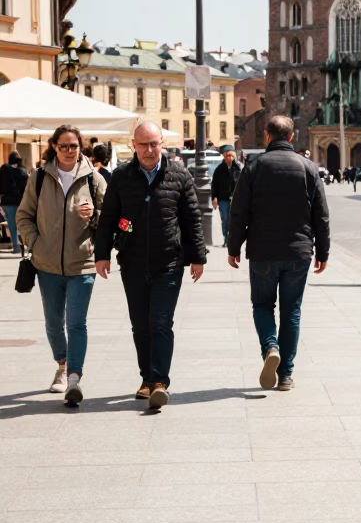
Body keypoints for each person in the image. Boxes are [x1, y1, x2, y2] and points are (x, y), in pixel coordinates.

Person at [95, 121, 206, 409]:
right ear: (134, 145)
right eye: (143, 144)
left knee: (160, 323)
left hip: (169, 261)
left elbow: (192, 217)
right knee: (139, 325)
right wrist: (102, 254)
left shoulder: (178, 174)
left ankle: (159, 381)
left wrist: (197, 257)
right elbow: (108, 218)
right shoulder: (121, 176)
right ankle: (146, 378)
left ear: (162, 145)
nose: (148, 150)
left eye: (154, 144)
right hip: (132, 261)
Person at [227, 115, 329, 391]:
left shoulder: (254, 166)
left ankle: (270, 347)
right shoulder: (308, 167)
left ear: (266, 136)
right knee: (291, 310)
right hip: (299, 251)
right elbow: (321, 214)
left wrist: (233, 247)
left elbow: (239, 211)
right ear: (292, 137)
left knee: (262, 306)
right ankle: (285, 375)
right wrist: (323, 250)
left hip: (262, 251)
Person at [16, 125, 107, 404]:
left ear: (81, 148)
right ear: (54, 147)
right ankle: (62, 364)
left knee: (76, 323)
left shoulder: (94, 178)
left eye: (74, 146)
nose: (70, 151)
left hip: (83, 264)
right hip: (47, 264)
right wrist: (36, 243)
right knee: (54, 323)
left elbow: (112, 222)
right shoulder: (40, 177)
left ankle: (74, 379)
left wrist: (94, 215)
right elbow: (23, 216)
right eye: (64, 146)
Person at [211, 145, 241, 246]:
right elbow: (214, 184)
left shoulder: (238, 169)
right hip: (223, 198)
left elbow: (242, 184)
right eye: (228, 155)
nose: (230, 158)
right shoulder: (219, 169)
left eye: (232, 156)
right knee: (225, 219)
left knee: (233, 220)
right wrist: (214, 198)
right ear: (224, 156)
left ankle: (231, 238)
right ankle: (226, 238)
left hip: (235, 198)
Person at [0, 152, 29, 253]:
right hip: (21, 201)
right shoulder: (23, 171)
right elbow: (27, 188)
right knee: (23, 223)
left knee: (12, 224)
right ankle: (25, 244)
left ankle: (16, 246)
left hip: (7, 201)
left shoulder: (4, 170)